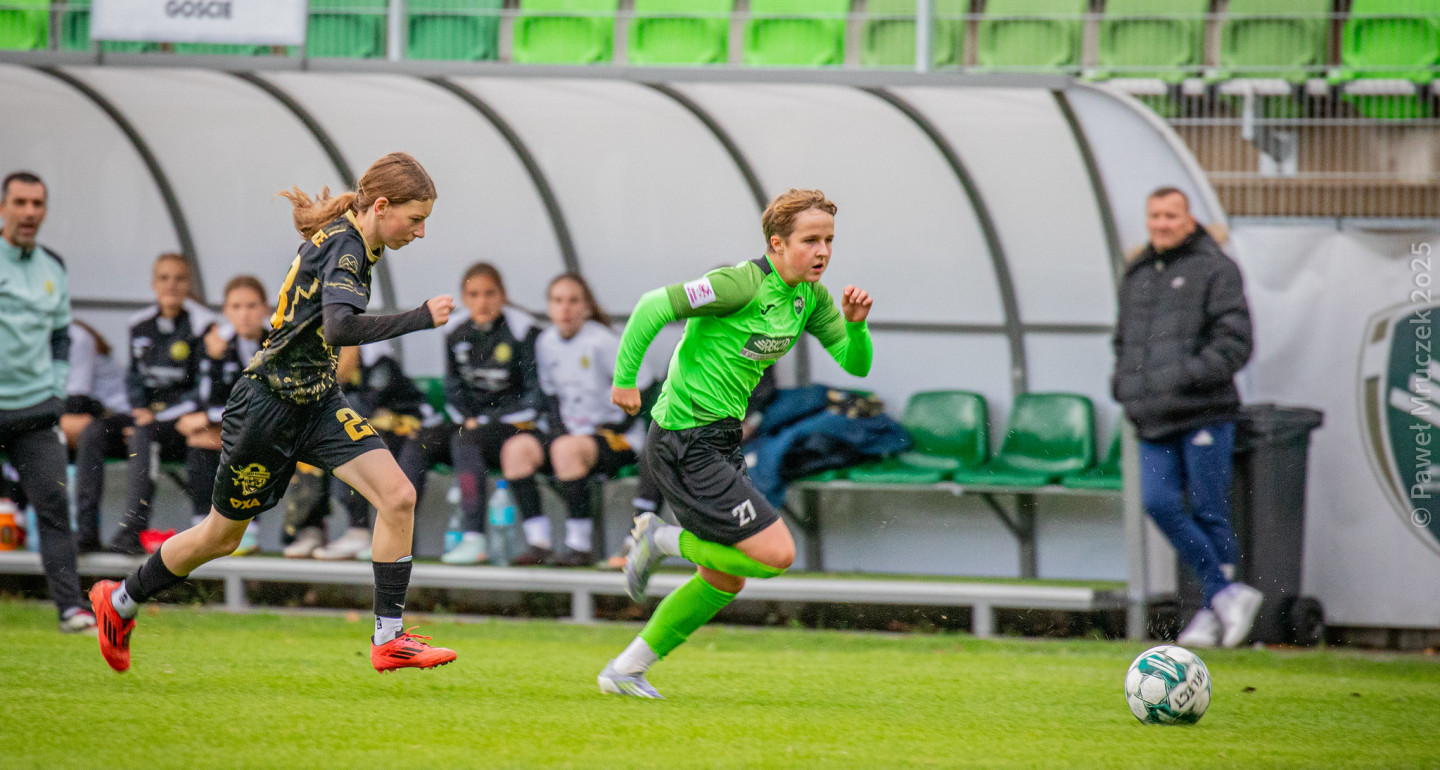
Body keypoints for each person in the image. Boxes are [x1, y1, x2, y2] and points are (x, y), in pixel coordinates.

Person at [88, 152, 457, 674]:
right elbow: (339, 328)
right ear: (381, 206)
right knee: (221, 536)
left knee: (398, 496)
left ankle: (389, 638)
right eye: (415, 219)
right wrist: (419, 317)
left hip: (316, 401)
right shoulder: (348, 246)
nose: (421, 232)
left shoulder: (357, 240)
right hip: (268, 408)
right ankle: (120, 599)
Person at [598, 188, 873, 697]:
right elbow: (653, 305)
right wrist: (624, 379)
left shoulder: (809, 298)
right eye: (811, 240)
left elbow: (856, 365)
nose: (823, 251)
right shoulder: (739, 284)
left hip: (720, 440)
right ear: (777, 243)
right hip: (684, 438)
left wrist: (856, 328)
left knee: (724, 578)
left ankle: (625, 670)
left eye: (829, 240)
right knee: (777, 554)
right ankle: (659, 539)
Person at [1112, 186, 1261, 649]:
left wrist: (1184, 377)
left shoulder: (1216, 268)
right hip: (1153, 417)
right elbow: (1124, 342)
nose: (1162, 223)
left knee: (1210, 511)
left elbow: (1236, 342)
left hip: (1203, 412)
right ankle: (1225, 595)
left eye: (1171, 215)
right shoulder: (1137, 273)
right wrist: (1125, 386)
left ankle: (1212, 611)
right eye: (1155, 215)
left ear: (1189, 219)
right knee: (1158, 504)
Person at [502, 274, 653, 568]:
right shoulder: (545, 342)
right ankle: (539, 542)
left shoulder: (603, 341)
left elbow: (644, 385)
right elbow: (550, 395)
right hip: (571, 435)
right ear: (549, 307)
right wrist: (559, 429)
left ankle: (579, 546)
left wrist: (617, 425)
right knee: (515, 450)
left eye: (573, 301)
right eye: (557, 301)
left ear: (586, 306)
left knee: (566, 450)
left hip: (615, 438)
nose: (565, 308)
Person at [0, 170, 93, 633]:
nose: (29, 212)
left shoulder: (53, 266)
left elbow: (60, 336)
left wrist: (56, 391)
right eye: (20, 203)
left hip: (35, 409)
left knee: (55, 508)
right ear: (3, 208)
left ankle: (71, 609)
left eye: (37, 204)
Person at [103, 253, 217, 555]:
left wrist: (157, 417)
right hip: (144, 417)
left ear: (188, 284)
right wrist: (139, 408)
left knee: (143, 435)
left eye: (179, 278)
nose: (171, 285)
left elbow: (201, 389)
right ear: (153, 283)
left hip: (179, 424)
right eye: (164, 278)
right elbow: (133, 376)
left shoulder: (202, 326)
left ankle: (133, 530)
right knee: (93, 432)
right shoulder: (139, 324)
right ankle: (85, 531)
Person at [439, 262, 542, 565]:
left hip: (514, 425)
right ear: (463, 298)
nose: (481, 302)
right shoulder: (454, 330)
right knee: (421, 440)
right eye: (473, 294)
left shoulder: (523, 329)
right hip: (470, 423)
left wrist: (487, 420)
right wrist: (466, 416)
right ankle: (391, 535)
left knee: (466, 441)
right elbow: (452, 388)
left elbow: (535, 396)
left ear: (503, 295)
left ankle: (474, 538)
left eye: (489, 293)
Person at [180, 275, 270, 556]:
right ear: (226, 311)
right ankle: (202, 521)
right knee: (201, 437)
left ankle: (247, 524)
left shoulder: (279, 343)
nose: (245, 314)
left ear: (265, 309)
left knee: (248, 437)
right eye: (237, 307)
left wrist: (211, 417)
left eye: (251, 306)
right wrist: (215, 359)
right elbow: (210, 398)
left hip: (271, 429)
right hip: (230, 427)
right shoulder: (217, 346)